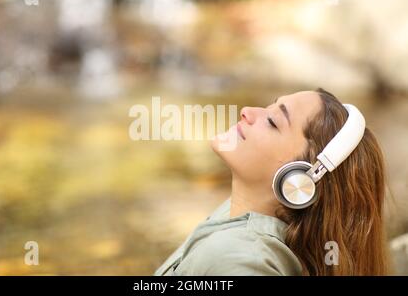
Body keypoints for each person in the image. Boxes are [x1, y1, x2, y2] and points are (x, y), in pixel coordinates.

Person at [154, 88, 390, 276]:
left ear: (300, 179)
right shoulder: (242, 213)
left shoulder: (237, 261)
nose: (247, 111)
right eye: (270, 107)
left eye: (273, 121)